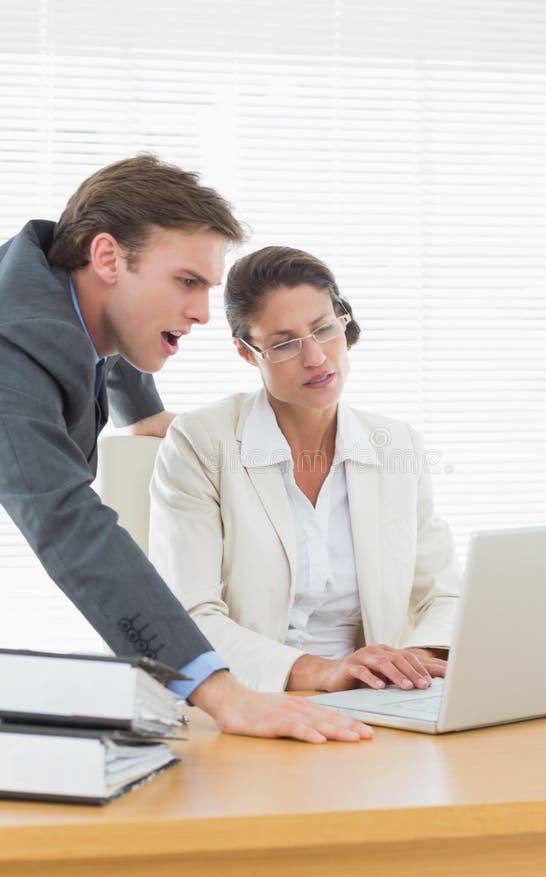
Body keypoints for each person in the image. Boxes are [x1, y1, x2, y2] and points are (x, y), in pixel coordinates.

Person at [0, 156, 373, 744]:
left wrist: (140, 408)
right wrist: (224, 695)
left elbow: (101, 322)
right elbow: (67, 524)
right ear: (106, 257)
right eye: (186, 282)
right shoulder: (8, 359)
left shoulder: (48, 285)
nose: (203, 312)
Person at [149, 245, 461, 694]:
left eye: (324, 330)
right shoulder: (200, 442)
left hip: (373, 697)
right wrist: (322, 672)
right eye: (284, 344)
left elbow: (445, 595)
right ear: (245, 351)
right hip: (248, 696)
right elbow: (189, 616)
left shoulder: (396, 445)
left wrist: (410, 663)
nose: (315, 357)